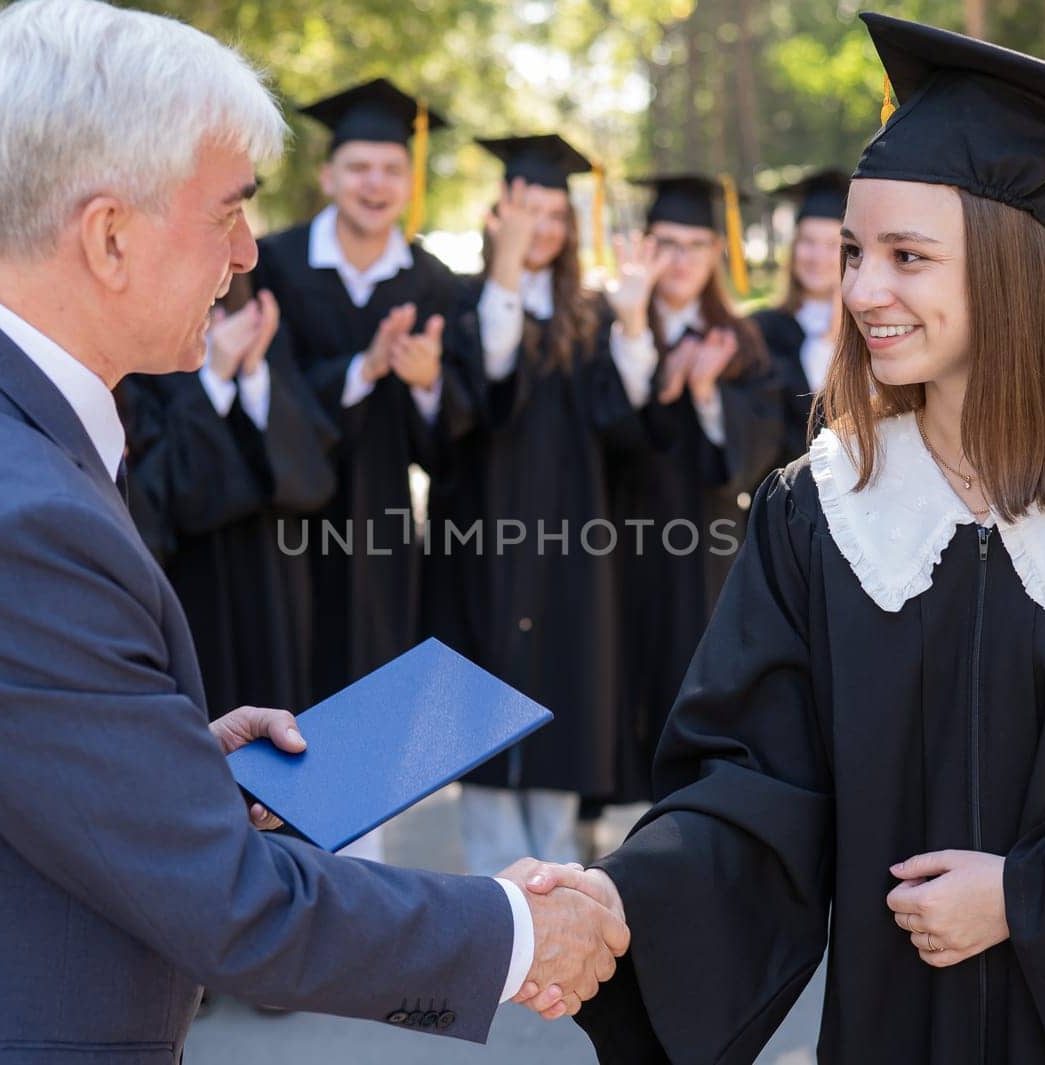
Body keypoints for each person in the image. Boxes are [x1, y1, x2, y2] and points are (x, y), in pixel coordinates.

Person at [0, 3, 627, 1061]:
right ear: (110, 234)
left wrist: (162, 763)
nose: (249, 250)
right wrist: (520, 928)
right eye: (228, 211)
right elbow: (233, 906)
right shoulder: (10, 520)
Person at [531, 13, 1045, 1061]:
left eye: (906, 255)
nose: (859, 292)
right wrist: (620, 902)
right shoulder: (824, 512)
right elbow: (752, 787)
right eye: (854, 252)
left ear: (1011, 268)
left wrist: (1032, 896)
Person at [441, 135, 640, 875]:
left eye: (556, 215)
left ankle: (555, 912)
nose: (543, 228)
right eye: (529, 210)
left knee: (560, 711)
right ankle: (493, 914)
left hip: (569, 546)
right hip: (480, 544)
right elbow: (486, 386)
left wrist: (636, 322)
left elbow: (624, 422)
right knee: (481, 724)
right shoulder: (464, 300)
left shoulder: (587, 315)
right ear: (499, 214)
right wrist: (503, 274)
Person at [248, 78, 469, 707]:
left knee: (374, 700)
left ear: (408, 182)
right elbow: (271, 390)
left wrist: (428, 383)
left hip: (384, 525)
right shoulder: (274, 266)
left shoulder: (434, 283)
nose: (375, 185)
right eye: (358, 168)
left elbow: (453, 437)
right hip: (289, 513)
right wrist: (363, 369)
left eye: (391, 170)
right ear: (327, 177)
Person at [603, 174, 784, 803]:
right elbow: (601, 432)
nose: (680, 260)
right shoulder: (611, 320)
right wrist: (635, 340)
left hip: (705, 550)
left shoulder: (743, 338)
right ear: (645, 246)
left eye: (695, 244)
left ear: (716, 252)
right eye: (666, 243)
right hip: (617, 540)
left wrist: (705, 394)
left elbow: (756, 451)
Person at [117, 270, 337, 714]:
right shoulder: (140, 354)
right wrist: (215, 376)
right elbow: (159, 491)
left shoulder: (264, 328)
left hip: (273, 575)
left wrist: (254, 371)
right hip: (196, 582)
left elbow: (310, 474)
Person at [752, 169, 848, 458]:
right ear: (793, 248)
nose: (818, 257)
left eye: (833, 245)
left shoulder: (877, 327)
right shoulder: (762, 329)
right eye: (807, 241)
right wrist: (827, 340)